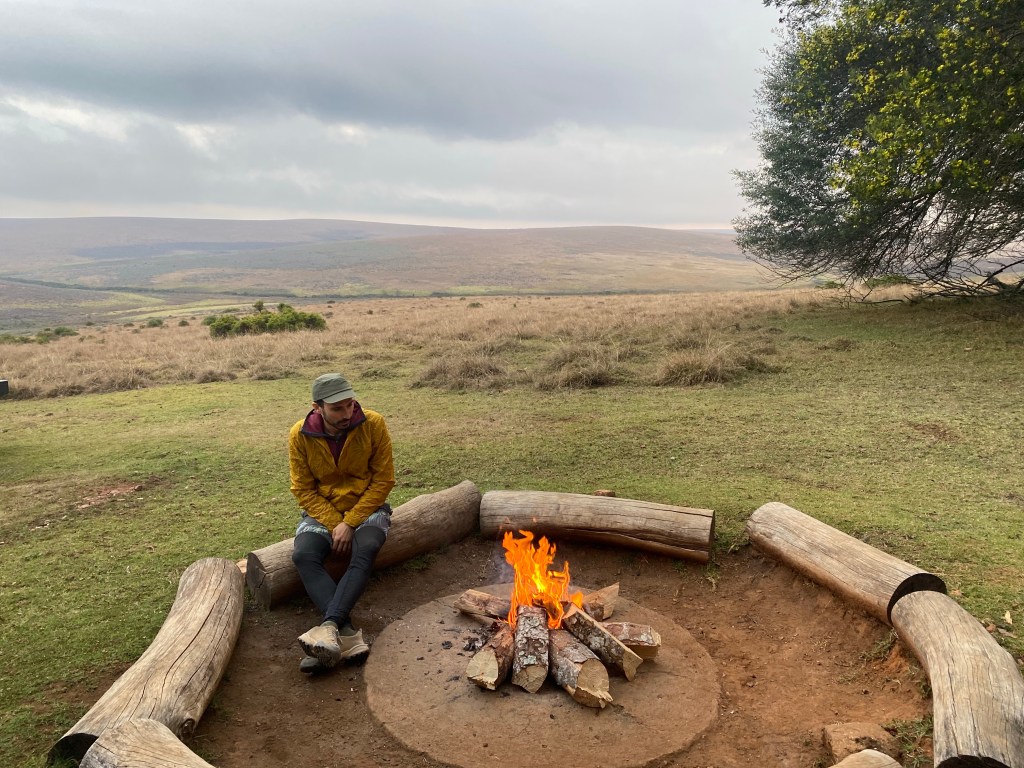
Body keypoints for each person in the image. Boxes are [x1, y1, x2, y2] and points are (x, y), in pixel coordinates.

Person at [288, 372, 396, 674]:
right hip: (323, 511)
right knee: (303, 555)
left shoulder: (373, 424)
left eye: (350, 405)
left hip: (368, 506)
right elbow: (302, 489)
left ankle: (329, 625)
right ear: (317, 407)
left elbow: (384, 480)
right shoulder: (299, 435)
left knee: (368, 546)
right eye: (337, 408)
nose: (347, 413)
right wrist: (336, 522)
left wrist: (350, 523)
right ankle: (346, 635)